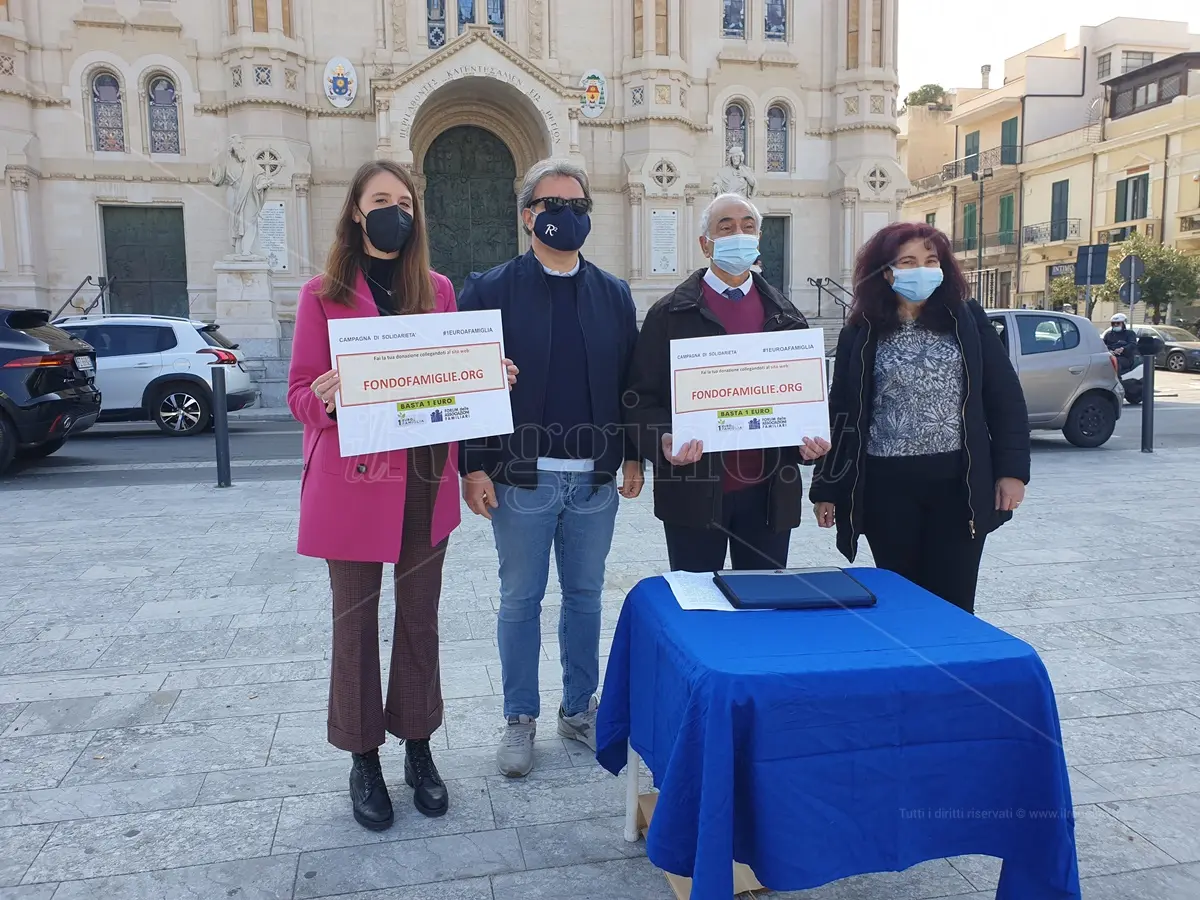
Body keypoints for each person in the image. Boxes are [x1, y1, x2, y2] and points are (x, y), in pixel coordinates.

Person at [287, 159, 517, 831]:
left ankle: (419, 746)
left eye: (405, 201)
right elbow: (298, 393)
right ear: (357, 212)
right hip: (354, 480)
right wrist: (325, 400)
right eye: (381, 199)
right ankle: (363, 757)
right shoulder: (321, 294)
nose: (396, 211)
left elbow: (450, 381)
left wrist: (487, 379)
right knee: (355, 622)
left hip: (424, 474)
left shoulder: (438, 289)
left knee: (420, 617)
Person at [457, 158, 643, 778]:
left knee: (585, 596)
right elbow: (467, 388)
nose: (565, 214)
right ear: (527, 214)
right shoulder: (488, 291)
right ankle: (519, 716)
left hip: (593, 478)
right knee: (521, 598)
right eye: (552, 203)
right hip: (520, 477)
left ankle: (579, 707)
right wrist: (473, 468)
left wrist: (633, 454)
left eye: (577, 204)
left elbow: (630, 384)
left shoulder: (614, 294)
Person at [809, 221, 1030, 614]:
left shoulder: (968, 320)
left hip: (958, 488)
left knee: (955, 604)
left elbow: (1005, 397)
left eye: (931, 260)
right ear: (886, 273)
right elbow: (841, 412)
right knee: (902, 603)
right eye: (908, 262)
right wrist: (827, 487)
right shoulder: (860, 332)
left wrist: (1012, 472)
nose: (922, 269)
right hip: (886, 490)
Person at [622, 192, 830, 573]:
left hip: (768, 496)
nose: (739, 235)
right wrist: (661, 439)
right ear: (706, 244)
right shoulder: (669, 315)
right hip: (693, 495)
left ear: (758, 239)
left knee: (763, 601)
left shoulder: (787, 317)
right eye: (726, 227)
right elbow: (639, 399)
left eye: (747, 227)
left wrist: (808, 444)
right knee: (699, 601)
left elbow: (800, 402)